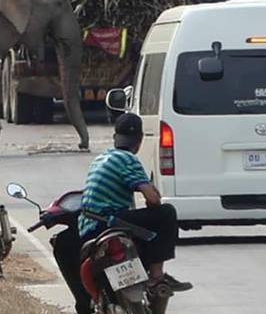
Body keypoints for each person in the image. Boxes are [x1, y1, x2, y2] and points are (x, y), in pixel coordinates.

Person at [78, 113, 192, 293]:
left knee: (142, 226)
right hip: (110, 221)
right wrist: (153, 201)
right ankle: (156, 277)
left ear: (115, 138)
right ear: (140, 141)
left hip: (87, 226)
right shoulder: (128, 159)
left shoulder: (99, 159)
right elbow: (153, 199)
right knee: (166, 213)